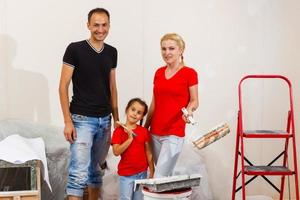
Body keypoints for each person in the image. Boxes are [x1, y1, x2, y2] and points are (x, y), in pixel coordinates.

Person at [59, 8, 119, 200]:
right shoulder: (75, 49)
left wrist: (116, 120)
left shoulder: (112, 52)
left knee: (96, 171)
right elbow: (63, 86)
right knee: (78, 173)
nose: (100, 29)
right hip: (82, 119)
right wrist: (68, 121)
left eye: (104, 25)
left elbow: (112, 87)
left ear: (109, 25)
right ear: (88, 26)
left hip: (105, 121)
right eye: (96, 25)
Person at [144, 33, 199, 178]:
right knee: (164, 177)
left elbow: (194, 100)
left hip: (174, 133)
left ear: (181, 50)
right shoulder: (158, 73)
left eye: (171, 48)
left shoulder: (189, 73)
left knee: (159, 177)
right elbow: (154, 103)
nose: (167, 53)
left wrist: (188, 111)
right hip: (154, 132)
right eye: (163, 49)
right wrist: (144, 128)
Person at [111, 98, 154, 200]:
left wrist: (152, 170)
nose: (135, 114)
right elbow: (116, 152)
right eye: (133, 109)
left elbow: (149, 152)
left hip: (142, 174)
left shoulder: (144, 132)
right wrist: (129, 139)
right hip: (126, 175)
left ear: (142, 116)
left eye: (139, 112)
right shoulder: (118, 131)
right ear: (127, 110)